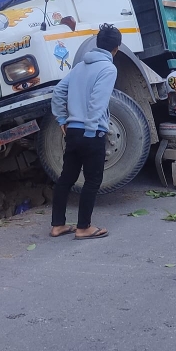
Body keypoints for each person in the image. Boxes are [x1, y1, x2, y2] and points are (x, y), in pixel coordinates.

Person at [49, 24, 121, 240]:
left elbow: (59, 91)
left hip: (72, 131)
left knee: (66, 178)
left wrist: (62, 119)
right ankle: (83, 228)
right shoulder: (109, 69)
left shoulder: (80, 66)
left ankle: (57, 225)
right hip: (92, 133)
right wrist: (91, 131)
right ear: (116, 48)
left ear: (97, 44)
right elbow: (98, 102)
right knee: (92, 180)